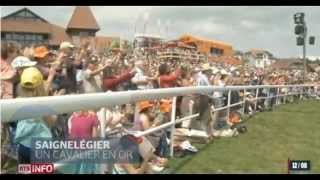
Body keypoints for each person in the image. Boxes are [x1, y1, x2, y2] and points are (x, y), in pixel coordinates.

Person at [1, 42, 19, 173]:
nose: (17, 55)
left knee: (6, 140)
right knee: (5, 140)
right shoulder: (8, 69)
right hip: (4, 108)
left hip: (5, 108)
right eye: (15, 52)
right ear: (10, 53)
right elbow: (10, 75)